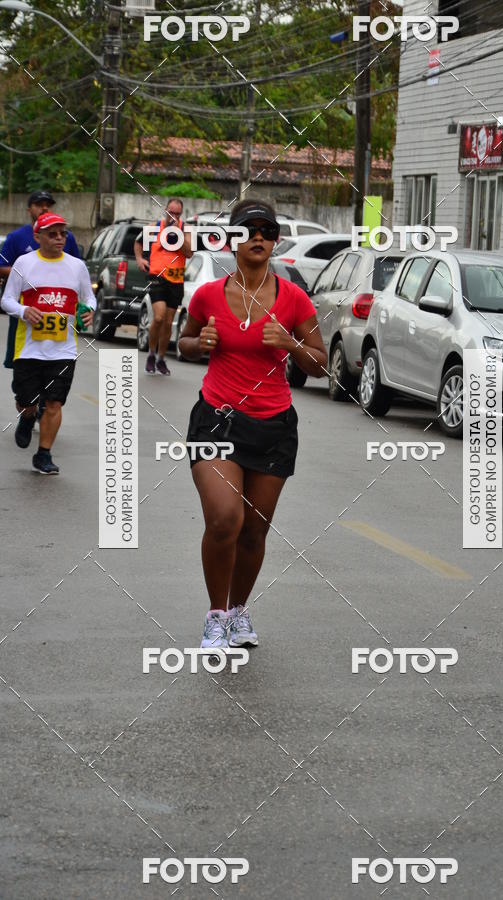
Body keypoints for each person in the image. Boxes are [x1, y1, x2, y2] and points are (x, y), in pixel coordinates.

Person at [178, 200, 328, 649]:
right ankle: (215, 614)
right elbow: (183, 341)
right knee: (225, 518)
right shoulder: (208, 295)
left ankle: (239, 610)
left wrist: (291, 343)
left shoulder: (294, 299)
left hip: (274, 425)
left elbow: (320, 365)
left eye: (266, 230)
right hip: (217, 418)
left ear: (275, 240)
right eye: (248, 230)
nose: (257, 237)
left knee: (255, 530)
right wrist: (197, 342)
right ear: (233, 240)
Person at [0, 213, 95, 474]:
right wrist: (23, 311)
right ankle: (27, 415)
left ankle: (43, 454)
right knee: (27, 401)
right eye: (52, 233)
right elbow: (6, 300)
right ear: (37, 236)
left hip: (63, 350)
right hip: (29, 348)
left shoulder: (77, 266)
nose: (59, 238)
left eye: (63, 233)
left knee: (54, 403)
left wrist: (89, 310)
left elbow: (89, 298)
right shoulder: (24, 263)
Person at [1, 190, 81, 370]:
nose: (44, 208)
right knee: (22, 363)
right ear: (29, 209)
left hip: (59, 305)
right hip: (27, 304)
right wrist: (26, 275)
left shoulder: (67, 237)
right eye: (39, 205)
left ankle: (50, 395)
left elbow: (78, 267)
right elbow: (2, 265)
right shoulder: (16, 237)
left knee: (55, 366)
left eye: (48, 205)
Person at [134, 197, 192, 376]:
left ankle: (161, 358)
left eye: (176, 213)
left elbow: (189, 252)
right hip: (157, 278)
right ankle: (151, 354)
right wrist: (139, 258)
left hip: (176, 280)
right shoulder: (154, 227)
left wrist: (178, 236)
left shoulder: (185, 229)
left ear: (180, 214)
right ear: (165, 211)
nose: (172, 216)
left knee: (168, 323)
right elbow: (137, 242)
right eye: (170, 212)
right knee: (158, 318)